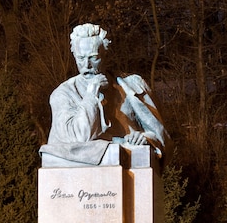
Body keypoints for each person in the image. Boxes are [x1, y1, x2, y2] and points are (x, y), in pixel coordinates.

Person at [40, 23, 168, 164]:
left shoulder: (131, 85)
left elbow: (161, 135)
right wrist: (91, 94)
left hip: (130, 163)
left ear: (105, 55)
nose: (87, 65)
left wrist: (146, 138)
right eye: (81, 58)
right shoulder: (63, 94)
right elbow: (79, 138)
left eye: (93, 58)